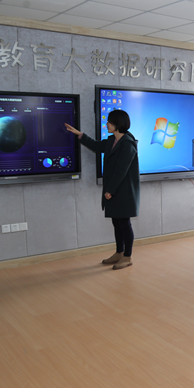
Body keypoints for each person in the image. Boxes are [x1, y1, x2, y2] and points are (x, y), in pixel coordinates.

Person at [65, 110, 140, 270]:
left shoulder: (127, 144)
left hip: (123, 191)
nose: (107, 124)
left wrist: (110, 190)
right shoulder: (113, 140)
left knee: (124, 223)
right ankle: (119, 252)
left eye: (110, 122)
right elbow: (96, 146)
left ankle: (128, 256)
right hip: (114, 189)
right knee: (116, 222)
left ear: (118, 124)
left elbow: (121, 171)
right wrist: (79, 134)